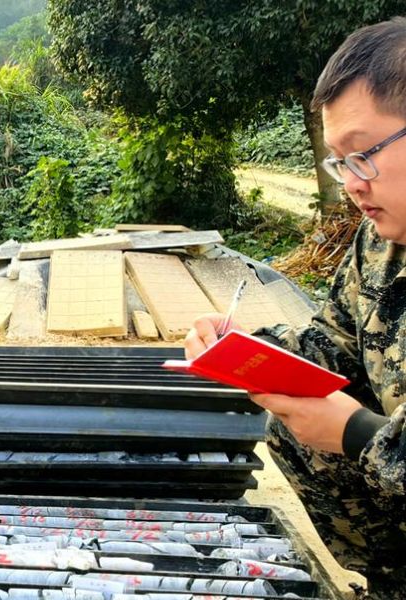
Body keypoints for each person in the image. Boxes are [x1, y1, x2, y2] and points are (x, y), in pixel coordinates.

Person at [185, 19, 406, 599]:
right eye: (340, 162)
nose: (352, 184)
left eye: (363, 154)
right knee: (290, 411)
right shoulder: (380, 244)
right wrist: (245, 349)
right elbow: (333, 344)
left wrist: (357, 434)